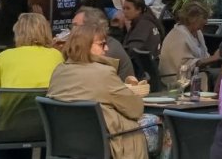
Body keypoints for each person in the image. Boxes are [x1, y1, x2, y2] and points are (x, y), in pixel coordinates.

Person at [48, 21, 152, 159]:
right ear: (85, 46)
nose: (107, 48)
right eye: (102, 44)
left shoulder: (59, 71)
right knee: (155, 124)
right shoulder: (103, 73)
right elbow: (136, 109)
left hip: (68, 142)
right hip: (105, 142)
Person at [0, 13, 63, 159]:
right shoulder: (56, 56)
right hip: (46, 128)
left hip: (8, 129)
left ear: (18, 32)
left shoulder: (4, 57)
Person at [161, 0, 222, 85]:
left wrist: (214, 57)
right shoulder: (178, 36)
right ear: (193, 18)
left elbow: (203, 58)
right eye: (204, 18)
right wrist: (214, 58)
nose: (206, 22)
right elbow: (185, 67)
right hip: (176, 81)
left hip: (195, 76)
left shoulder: (197, 33)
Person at [72, 7, 136, 82]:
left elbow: (89, 80)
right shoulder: (96, 44)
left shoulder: (105, 49)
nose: (72, 30)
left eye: (76, 26)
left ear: (92, 28)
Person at [121, 0, 165, 66]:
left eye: (128, 8)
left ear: (139, 10)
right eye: (124, 8)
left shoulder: (144, 25)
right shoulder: (144, 22)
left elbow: (134, 49)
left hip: (144, 67)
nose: (125, 11)